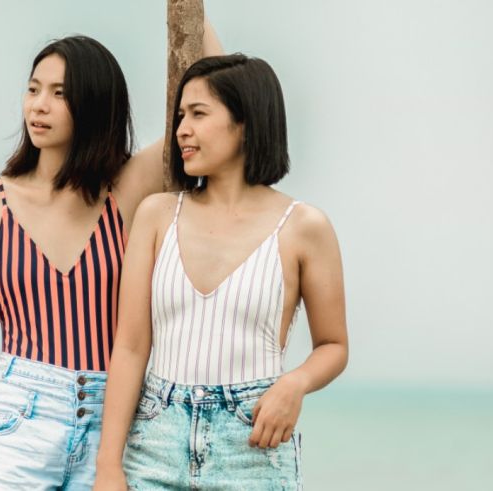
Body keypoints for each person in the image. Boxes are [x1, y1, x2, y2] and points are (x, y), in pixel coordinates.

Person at [0, 24, 224, 491]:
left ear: (95, 104)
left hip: (113, 423)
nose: (39, 104)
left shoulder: (126, 191)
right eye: (33, 89)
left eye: (60, 93)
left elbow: (215, 82)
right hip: (19, 423)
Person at [93, 54, 349, 490]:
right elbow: (131, 347)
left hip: (253, 445)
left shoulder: (305, 227)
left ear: (245, 121)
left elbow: (334, 345)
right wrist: (108, 465)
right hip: (154, 444)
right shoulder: (157, 216)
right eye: (179, 117)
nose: (181, 131)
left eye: (198, 114)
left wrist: (295, 384)